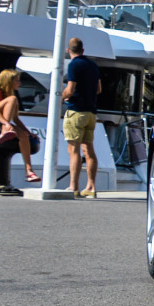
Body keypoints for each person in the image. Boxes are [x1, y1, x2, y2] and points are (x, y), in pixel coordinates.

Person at [0, 69, 40, 182]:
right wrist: (6, 123)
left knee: (23, 136)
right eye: (17, 80)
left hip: (0, 122)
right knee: (12, 99)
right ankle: (4, 130)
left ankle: (29, 171)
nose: (19, 83)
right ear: (9, 81)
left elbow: (16, 119)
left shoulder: (10, 95)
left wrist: (28, 132)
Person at [62, 37, 102, 197]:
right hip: (91, 113)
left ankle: (73, 186)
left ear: (68, 51)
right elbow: (98, 89)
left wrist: (61, 96)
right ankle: (91, 187)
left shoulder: (74, 65)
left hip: (76, 111)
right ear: (83, 50)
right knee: (89, 150)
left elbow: (70, 89)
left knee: (74, 150)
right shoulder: (93, 65)